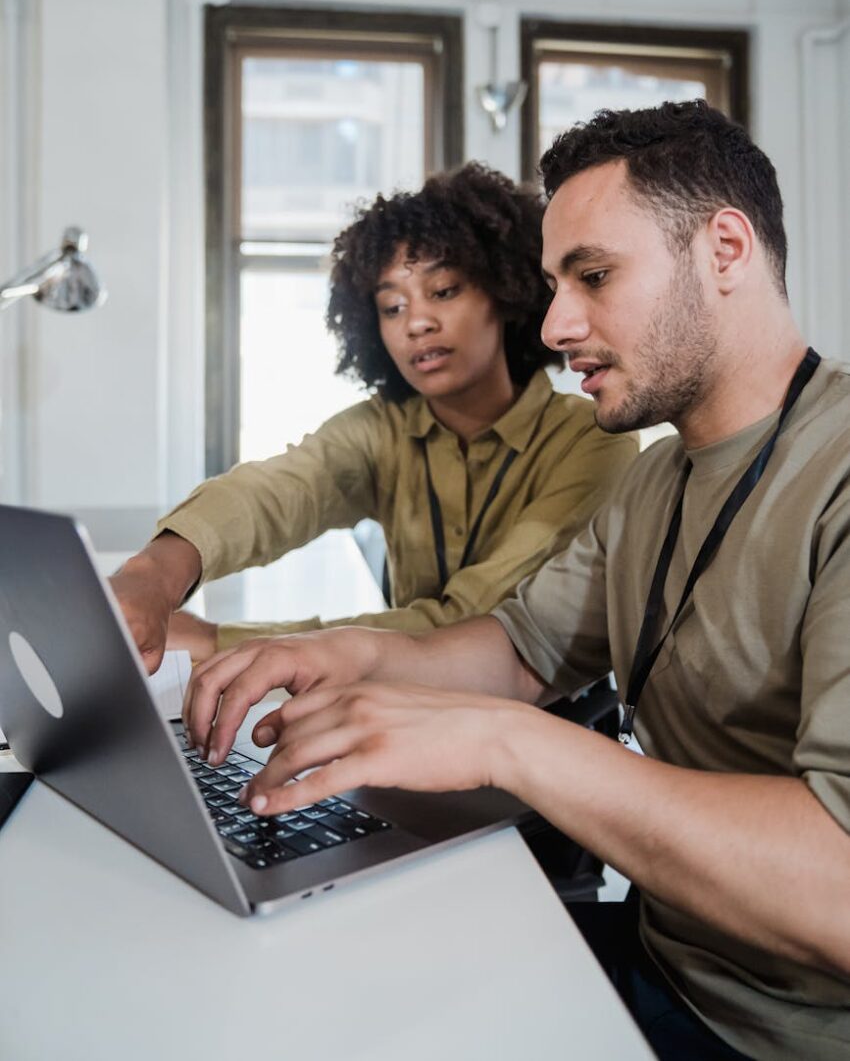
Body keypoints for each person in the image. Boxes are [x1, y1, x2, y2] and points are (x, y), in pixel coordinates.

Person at [176, 102, 850, 1061]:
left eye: (595, 276)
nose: (559, 321)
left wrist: (506, 741)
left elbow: (839, 894)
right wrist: (331, 654)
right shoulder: (657, 480)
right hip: (663, 965)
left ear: (726, 250)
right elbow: (515, 649)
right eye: (550, 283)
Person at [112, 162, 636, 672]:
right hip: (396, 716)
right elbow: (278, 492)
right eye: (392, 307)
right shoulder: (382, 428)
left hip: (543, 732)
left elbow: (472, 623)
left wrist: (219, 640)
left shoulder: (591, 441)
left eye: (444, 291)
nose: (417, 323)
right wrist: (155, 571)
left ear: (504, 292)